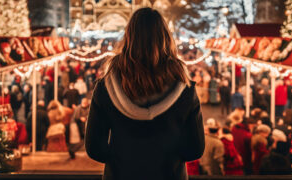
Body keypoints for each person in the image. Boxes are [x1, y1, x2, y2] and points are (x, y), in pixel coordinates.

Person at [85, 8, 205, 180]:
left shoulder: (105, 88)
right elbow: (195, 148)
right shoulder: (185, 89)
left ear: (128, 38)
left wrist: (121, 157)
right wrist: (170, 155)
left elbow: (94, 148)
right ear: (165, 38)